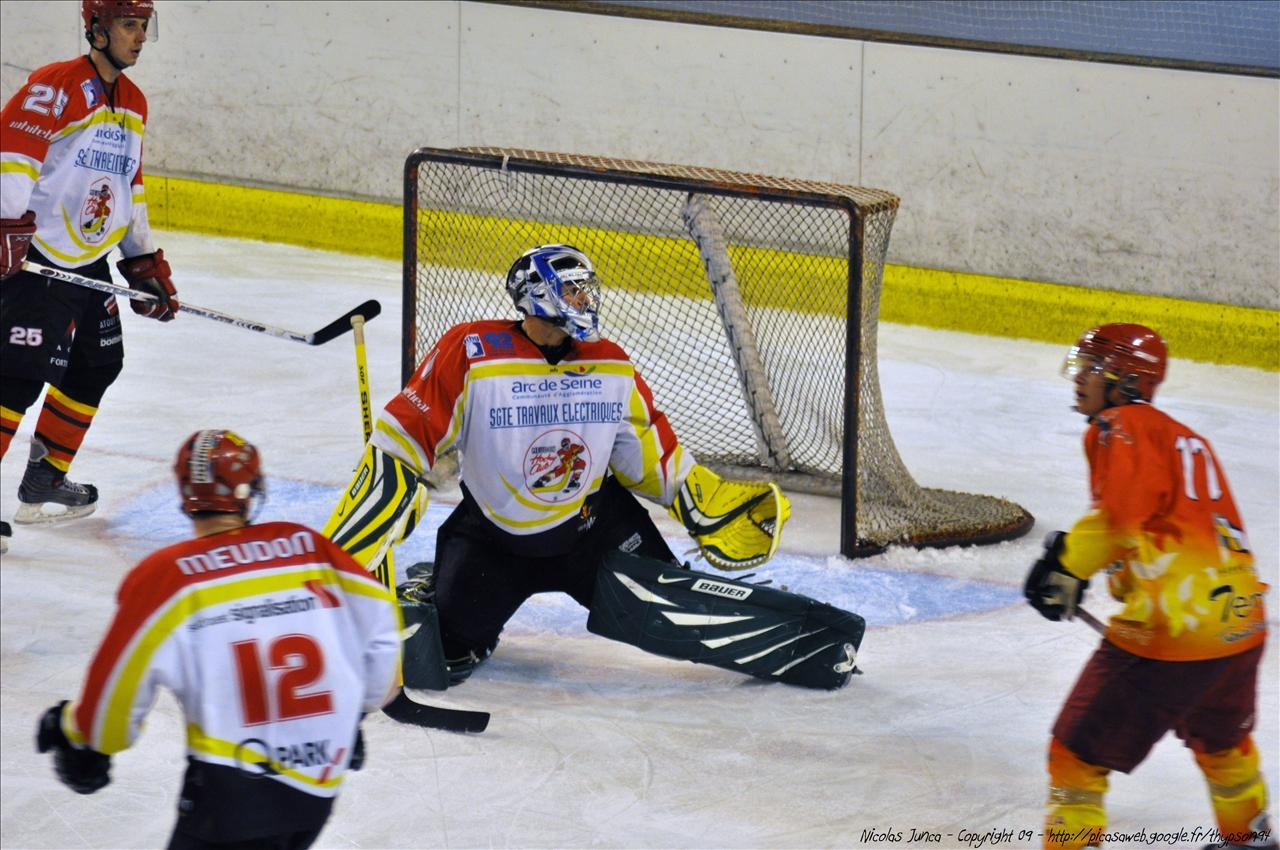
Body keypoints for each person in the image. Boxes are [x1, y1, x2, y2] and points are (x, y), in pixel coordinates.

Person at [323, 244, 863, 692]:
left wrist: (706, 503)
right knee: (447, 650)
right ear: (537, 294)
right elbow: (401, 446)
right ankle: (431, 585)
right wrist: (363, 535)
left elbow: (649, 455)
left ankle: (810, 636)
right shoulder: (472, 351)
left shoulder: (610, 362)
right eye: (573, 288)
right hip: (494, 539)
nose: (586, 298)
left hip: (593, 531)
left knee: (672, 608)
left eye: (586, 288)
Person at [35, 430, 400, 850]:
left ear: (185, 492)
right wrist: (353, 712)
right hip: (315, 792)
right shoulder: (308, 547)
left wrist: (74, 732)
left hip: (229, 799)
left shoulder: (166, 578)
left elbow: (108, 717)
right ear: (251, 490)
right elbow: (381, 621)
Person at [1024, 323, 1274, 850]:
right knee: (1222, 744)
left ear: (1127, 381)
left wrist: (1069, 565)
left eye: (1094, 368)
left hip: (1172, 633)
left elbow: (1119, 519)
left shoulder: (1118, 425)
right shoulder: (1187, 438)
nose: (1080, 378)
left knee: (1076, 755)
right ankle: (1250, 842)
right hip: (1241, 623)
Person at [1, 0, 180, 553]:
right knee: (15, 378)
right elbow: (13, 152)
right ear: (97, 30)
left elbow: (130, 186)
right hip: (38, 259)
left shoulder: (134, 103)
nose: (139, 36)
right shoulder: (56, 84)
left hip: (88, 264)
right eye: (129, 25)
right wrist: (5, 224)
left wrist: (142, 262)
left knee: (98, 364)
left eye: (144, 25)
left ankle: (45, 478)